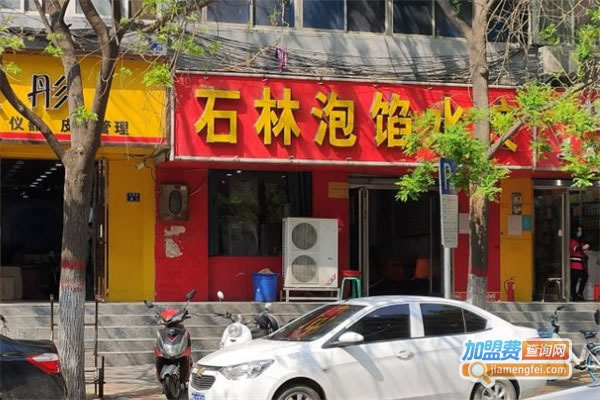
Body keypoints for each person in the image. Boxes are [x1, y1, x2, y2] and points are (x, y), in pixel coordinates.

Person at [569, 225, 589, 301]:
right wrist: (583, 247)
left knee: (585, 277)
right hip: (574, 265)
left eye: (580, 231)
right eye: (578, 230)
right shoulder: (572, 241)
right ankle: (574, 295)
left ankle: (580, 293)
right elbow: (575, 249)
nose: (579, 232)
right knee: (574, 281)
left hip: (581, 265)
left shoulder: (579, 241)